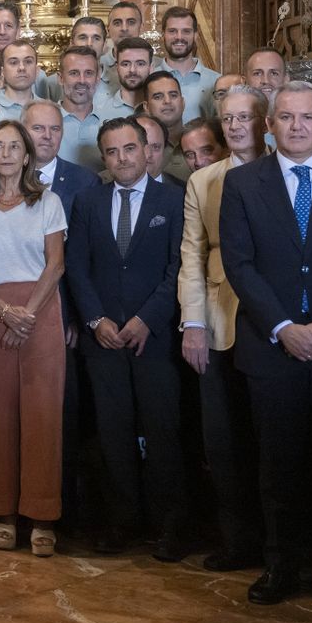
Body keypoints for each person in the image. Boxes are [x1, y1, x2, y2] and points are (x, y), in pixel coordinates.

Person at [219, 80, 312, 615]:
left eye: (309, 117)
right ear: (270, 124)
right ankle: (283, 564)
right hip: (272, 348)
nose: (298, 126)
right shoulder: (242, 183)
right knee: (277, 466)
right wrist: (283, 326)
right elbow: (238, 264)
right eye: (286, 117)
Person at [64, 116, 188, 560]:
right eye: (112, 152)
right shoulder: (87, 201)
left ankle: (169, 526)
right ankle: (122, 522)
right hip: (105, 340)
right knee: (111, 433)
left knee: (163, 433)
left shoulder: (174, 199)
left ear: (146, 150)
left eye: (129, 149)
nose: (122, 158)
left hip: (154, 338)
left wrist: (147, 319)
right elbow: (76, 265)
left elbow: (178, 266)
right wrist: (96, 320)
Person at [0, 120, 67, 558]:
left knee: (43, 414)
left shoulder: (47, 200)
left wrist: (26, 313)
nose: (6, 153)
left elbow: (56, 264)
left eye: (15, 146)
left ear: (28, 155)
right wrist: (5, 311)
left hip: (41, 310)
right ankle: (2, 512)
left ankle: (42, 515)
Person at [178, 84, 268, 572]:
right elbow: (191, 254)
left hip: (276, 324)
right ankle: (239, 540)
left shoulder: (286, 170)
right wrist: (192, 323)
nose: (235, 126)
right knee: (224, 437)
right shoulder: (204, 181)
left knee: (273, 437)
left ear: (264, 121)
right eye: (227, 119)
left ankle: (286, 542)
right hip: (218, 319)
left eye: (244, 118)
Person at [21, 99, 100, 533]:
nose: (47, 136)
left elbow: (84, 258)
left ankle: (61, 511)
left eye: (54, 129)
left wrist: (74, 316)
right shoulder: (2, 179)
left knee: (62, 415)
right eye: (38, 128)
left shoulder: (84, 182)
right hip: (13, 312)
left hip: (65, 317)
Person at [157, 7, 218, 120]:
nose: (179, 37)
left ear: (195, 36)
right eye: (172, 31)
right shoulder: (150, 78)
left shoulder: (215, 81)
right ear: (163, 35)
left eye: (186, 31)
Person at [56, 46, 105, 171]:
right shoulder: (45, 122)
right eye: (74, 73)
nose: (82, 80)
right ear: (60, 78)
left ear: (98, 78)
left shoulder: (110, 120)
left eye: (88, 73)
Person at [97, 37, 153, 117]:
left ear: (151, 68)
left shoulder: (160, 110)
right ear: (117, 68)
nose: (132, 70)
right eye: (126, 64)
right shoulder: (101, 113)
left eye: (140, 64)